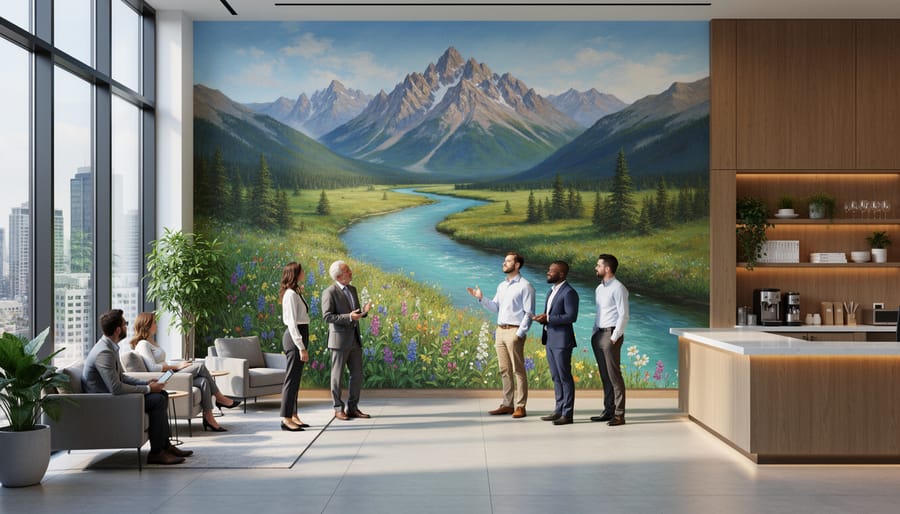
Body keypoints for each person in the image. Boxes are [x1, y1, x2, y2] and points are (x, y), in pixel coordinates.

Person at [83, 309, 193, 465]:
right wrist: (148, 389)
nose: (127, 327)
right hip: (105, 403)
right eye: (125, 324)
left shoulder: (110, 347)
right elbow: (116, 388)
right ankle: (156, 453)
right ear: (118, 330)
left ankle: (165, 446)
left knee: (162, 394)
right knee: (157, 399)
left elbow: (122, 377)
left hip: (112, 397)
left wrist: (146, 383)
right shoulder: (104, 353)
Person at [128, 312, 240, 432]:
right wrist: (177, 366)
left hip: (167, 374)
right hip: (161, 378)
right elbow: (153, 368)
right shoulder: (143, 344)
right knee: (200, 367)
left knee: (203, 382)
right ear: (147, 325)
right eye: (154, 322)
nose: (157, 325)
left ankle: (209, 418)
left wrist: (176, 367)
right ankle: (220, 398)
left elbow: (160, 364)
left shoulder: (151, 342)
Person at [467, 252, 535, 418]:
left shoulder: (526, 286)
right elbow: (495, 307)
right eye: (504, 261)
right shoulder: (502, 286)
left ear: (517, 265)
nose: (504, 263)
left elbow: (529, 313)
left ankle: (520, 406)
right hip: (500, 331)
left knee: (518, 370)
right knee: (504, 369)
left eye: (508, 261)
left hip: (514, 331)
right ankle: (507, 404)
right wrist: (481, 298)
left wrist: (519, 333)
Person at [322, 260, 372, 420]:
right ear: (338, 276)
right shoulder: (329, 292)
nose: (351, 273)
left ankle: (353, 408)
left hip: (354, 339)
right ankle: (338, 409)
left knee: (357, 374)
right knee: (337, 376)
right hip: (339, 341)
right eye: (347, 271)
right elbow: (327, 317)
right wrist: (349, 316)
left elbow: (355, 313)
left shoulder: (353, 289)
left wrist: (363, 312)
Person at [531, 261, 579, 425]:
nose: (548, 272)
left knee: (565, 377)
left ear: (562, 274)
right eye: (549, 269)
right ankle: (558, 410)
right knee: (555, 377)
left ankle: (567, 414)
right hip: (550, 339)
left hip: (562, 341)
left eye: (552, 271)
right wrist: (542, 319)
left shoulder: (569, 292)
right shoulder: (551, 291)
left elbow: (571, 317)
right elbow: (551, 315)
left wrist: (549, 318)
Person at [590, 254, 629, 426]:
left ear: (607, 268)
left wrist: (614, 337)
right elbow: (599, 313)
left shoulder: (619, 288)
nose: (595, 268)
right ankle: (608, 410)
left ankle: (619, 415)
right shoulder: (599, 289)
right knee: (605, 376)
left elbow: (624, 315)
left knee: (614, 376)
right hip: (598, 334)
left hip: (610, 335)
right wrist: (594, 332)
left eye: (598, 265)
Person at [279, 261, 311, 432]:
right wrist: (301, 346)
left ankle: (293, 414)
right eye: (302, 271)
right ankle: (285, 418)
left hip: (300, 334)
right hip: (294, 337)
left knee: (296, 379)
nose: (304, 273)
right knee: (291, 379)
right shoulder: (290, 294)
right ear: (295, 274)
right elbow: (292, 323)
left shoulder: (295, 292)